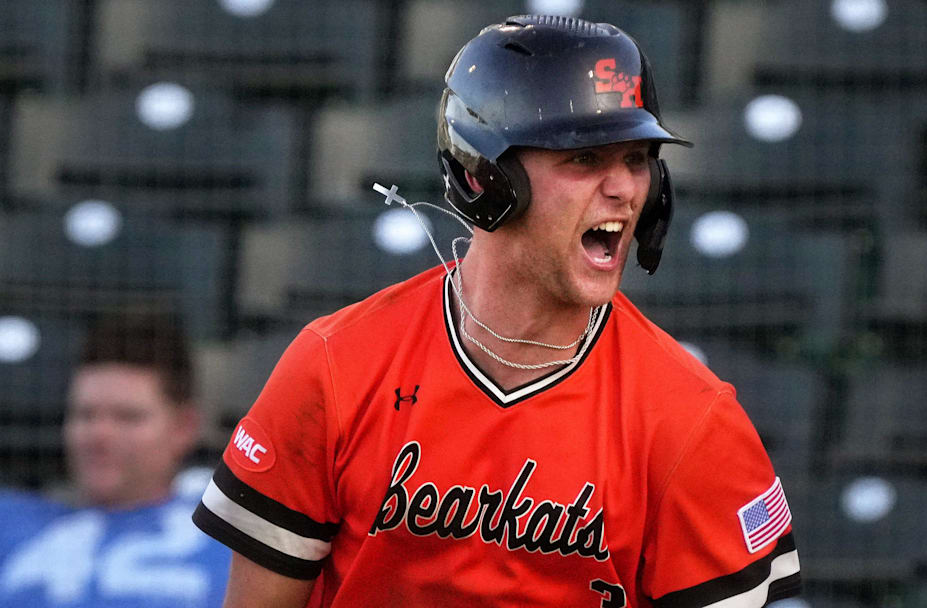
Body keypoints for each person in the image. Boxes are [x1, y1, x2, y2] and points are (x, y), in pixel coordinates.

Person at [192, 14, 801, 608]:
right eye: (585, 159)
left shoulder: (691, 419)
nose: (625, 189)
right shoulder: (336, 365)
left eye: (638, 159)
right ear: (486, 177)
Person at [0, 313, 231, 607]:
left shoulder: (229, 539)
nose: (99, 436)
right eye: (85, 414)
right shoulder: (10, 525)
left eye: (127, 417)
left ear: (184, 427)